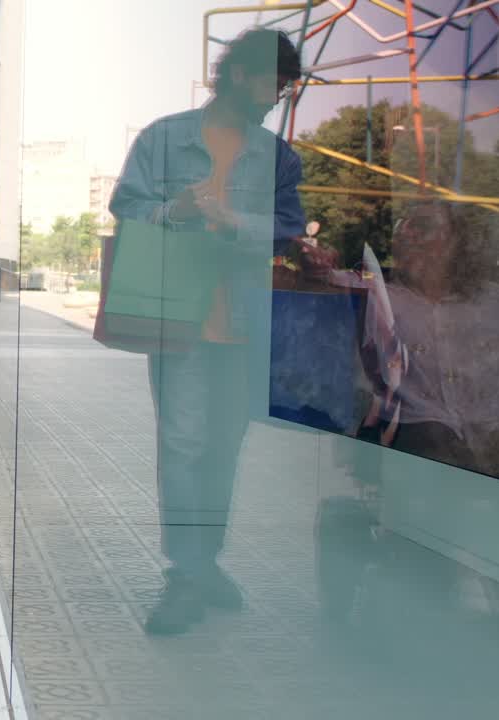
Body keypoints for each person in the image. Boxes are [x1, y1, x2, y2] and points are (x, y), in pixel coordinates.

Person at [109, 29, 332, 635]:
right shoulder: (165, 138)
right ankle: (185, 573)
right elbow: (126, 209)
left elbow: (287, 228)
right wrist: (175, 213)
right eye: (275, 81)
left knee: (222, 450)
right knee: (181, 445)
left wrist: (230, 220)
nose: (281, 95)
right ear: (240, 75)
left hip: (243, 320)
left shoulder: (279, 156)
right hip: (178, 313)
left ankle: (204, 563)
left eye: (288, 86)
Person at [359, 201, 499, 483]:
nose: (408, 234)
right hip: (421, 451)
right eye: (402, 225)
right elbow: (364, 386)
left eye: (423, 227)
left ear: (457, 243)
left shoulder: (497, 302)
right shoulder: (384, 303)